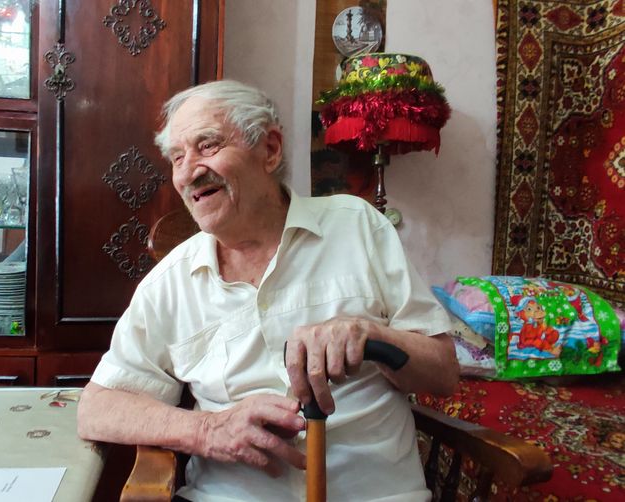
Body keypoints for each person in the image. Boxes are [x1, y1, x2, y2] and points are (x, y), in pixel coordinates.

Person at [77, 80, 458, 501]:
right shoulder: (170, 282)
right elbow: (98, 407)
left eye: (207, 145)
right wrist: (206, 430)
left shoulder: (358, 227)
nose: (187, 173)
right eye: (177, 157)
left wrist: (374, 336)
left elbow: (443, 372)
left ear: (270, 149)